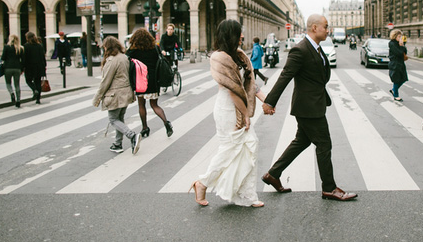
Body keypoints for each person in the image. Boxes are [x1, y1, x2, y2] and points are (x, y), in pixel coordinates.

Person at [261, 14, 358, 202]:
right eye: (326, 26)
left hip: (313, 104)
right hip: (308, 108)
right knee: (324, 144)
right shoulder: (300, 50)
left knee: (302, 141)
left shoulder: (317, 48)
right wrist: (270, 102)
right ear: (315, 28)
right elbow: (285, 76)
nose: (328, 30)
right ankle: (329, 188)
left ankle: (273, 174)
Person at [190, 20, 267, 208]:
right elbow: (233, 90)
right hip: (227, 109)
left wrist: (267, 100)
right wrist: (246, 115)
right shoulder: (219, 58)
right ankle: (203, 183)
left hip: (238, 108)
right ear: (230, 34)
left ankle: (246, 195)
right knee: (232, 149)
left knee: (248, 147)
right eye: (239, 33)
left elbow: (250, 85)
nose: (242, 36)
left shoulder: (239, 56)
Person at [92, 36, 140, 154]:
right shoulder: (124, 57)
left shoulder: (112, 60)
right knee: (120, 118)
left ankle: (132, 135)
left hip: (115, 94)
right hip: (126, 93)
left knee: (113, 119)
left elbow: (105, 81)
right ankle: (117, 144)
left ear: (107, 47)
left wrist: (97, 98)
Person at [126, 28, 174, 138]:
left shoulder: (133, 50)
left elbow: (126, 59)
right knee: (154, 105)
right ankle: (166, 122)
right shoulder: (155, 48)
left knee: (141, 105)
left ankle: (145, 128)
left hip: (140, 81)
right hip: (153, 80)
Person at [1, 34, 25, 108]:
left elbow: (3, 57)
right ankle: (18, 100)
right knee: (17, 84)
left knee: (8, 83)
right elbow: (23, 60)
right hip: (17, 68)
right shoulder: (20, 48)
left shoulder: (6, 47)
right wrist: (22, 69)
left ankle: (11, 93)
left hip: (7, 67)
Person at [23, 32, 46, 104]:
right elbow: (43, 57)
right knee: (38, 82)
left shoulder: (26, 46)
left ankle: (34, 89)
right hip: (39, 66)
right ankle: (38, 99)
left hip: (29, 66)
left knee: (28, 80)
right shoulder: (39, 46)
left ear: (27, 38)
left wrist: (23, 66)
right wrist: (44, 66)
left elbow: (24, 58)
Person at [387, 29, 408, 102]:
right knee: (397, 80)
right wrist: (401, 46)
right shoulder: (392, 44)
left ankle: (393, 90)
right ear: (395, 36)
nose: (400, 38)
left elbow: (405, 52)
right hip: (395, 64)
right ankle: (396, 95)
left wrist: (402, 45)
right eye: (399, 36)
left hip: (401, 63)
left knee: (404, 78)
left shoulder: (399, 43)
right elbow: (398, 53)